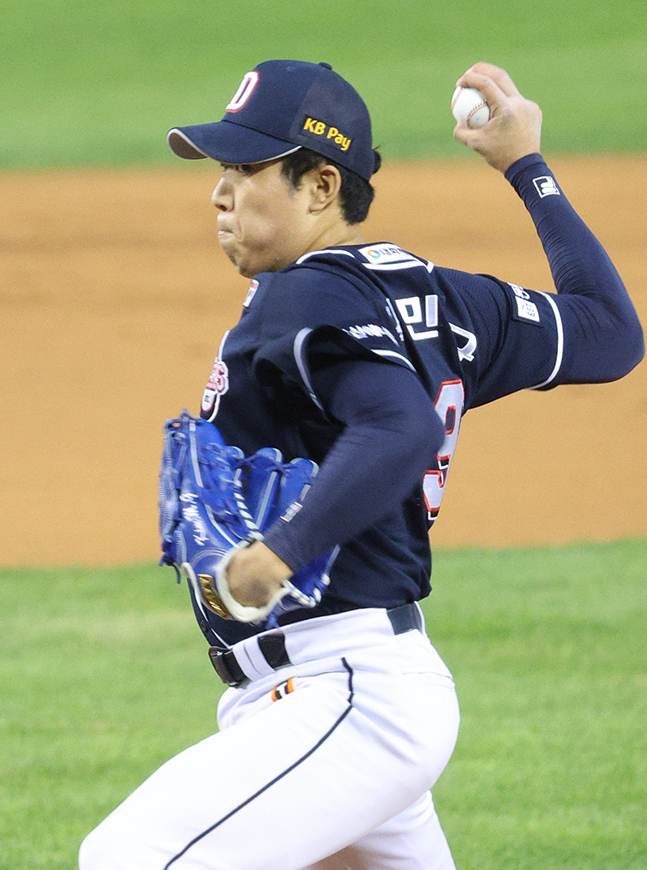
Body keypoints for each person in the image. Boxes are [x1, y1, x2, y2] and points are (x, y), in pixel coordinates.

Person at [79, 60, 643, 870]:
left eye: (244, 168)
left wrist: (275, 556)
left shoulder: (305, 294)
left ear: (319, 186)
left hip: (344, 692)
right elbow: (610, 333)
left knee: (133, 855)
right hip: (349, 692)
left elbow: (398, 426)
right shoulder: (441, 298)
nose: (220, 191)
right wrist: (526, 166)